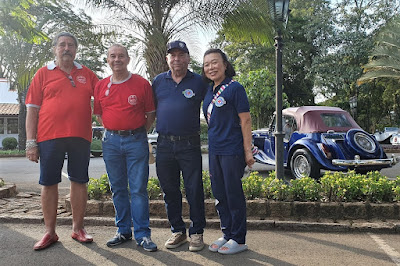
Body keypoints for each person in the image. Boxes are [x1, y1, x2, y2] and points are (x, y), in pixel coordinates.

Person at [25, 32, 98, 250]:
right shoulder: (42, 74)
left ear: (76, 49)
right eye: (62, 45)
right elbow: (32, 110)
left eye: (70, 45)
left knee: (79, 181)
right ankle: (50, 232)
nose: (66, 48)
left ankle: (78, 229)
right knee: (48, 183)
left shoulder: (87, 73)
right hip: (49, 137)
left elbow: (106, 96)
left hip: (80, 136)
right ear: (55, 48)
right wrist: (31, 142)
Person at [93, 44, 157, 252]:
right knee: (118, 188)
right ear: (108, 60)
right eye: (113, 56)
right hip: (110, 142)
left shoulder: (141, 84)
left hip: (136, 140)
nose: (117, 59)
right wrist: (116, 129)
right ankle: (123, 231)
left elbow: (150, 114)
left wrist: (136, 132)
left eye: (121, 56)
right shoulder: (101, 85)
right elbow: (100, 114)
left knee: (138, 189)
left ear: (128, 59)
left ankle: (143, 234)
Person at [152, 40, 207, 251]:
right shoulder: (158, 81)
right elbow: (150, 110)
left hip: (190, 144)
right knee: (169, 190)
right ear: (167, 59)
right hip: (164, 144)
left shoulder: (199, 82)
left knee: (194, 190)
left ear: (188, 58)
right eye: (172, 55)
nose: (176, 59)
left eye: (181, 55)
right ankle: (178, 231)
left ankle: (196, 233)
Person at [201, 48, 255, 255]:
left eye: (215, 62)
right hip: (214, 150)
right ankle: (227, 233)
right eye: (207, 64)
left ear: (225, 64)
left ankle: (239, 239)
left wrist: (247, 151)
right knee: (220, 194)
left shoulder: (235, 88)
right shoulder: (209, 90)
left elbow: (245, 120)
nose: (211, 67)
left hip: (232, 150)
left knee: (233, 195)